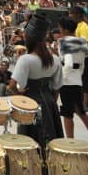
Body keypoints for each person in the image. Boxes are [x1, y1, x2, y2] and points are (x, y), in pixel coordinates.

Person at [8, 13, 63, 150]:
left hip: (29, 104)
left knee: (30, 141)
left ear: (29, 39)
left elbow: (12, 86)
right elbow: (56, 88)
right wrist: (51, 102)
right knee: (50, 138)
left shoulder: (25, 59)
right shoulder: (55, 59)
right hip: (49, 102)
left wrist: (19, 95)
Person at [55, 18, 88, 150]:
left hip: (66, 81)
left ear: (65, 30)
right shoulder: (82, 41)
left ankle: (70, 143)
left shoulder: (62, 42)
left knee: (67, 114)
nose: (59, 31)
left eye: (60, 29)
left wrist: (61, 77)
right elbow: (86, 57)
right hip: (77, 80)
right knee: (81, 112)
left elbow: (67, 62)